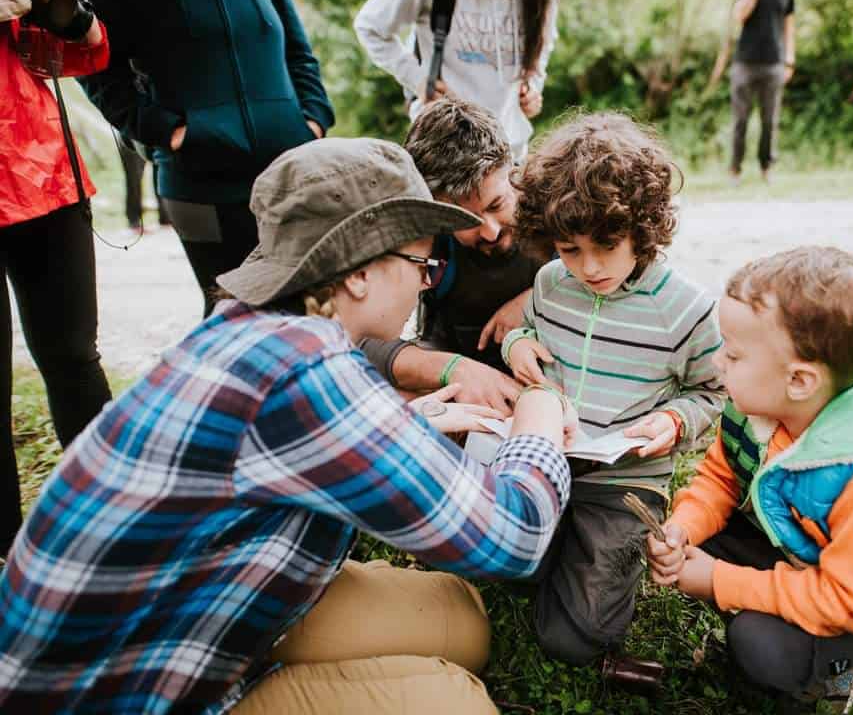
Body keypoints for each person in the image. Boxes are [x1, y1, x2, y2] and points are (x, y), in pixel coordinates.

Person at [0, 138, 577, 714]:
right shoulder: (306, 374)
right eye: (422, 264)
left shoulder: (261, 329)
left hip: (190, 615)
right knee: (455, 703)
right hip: (121, 692)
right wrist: (540, 415)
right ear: (358, 275)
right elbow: (514, 537)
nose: (426, 282)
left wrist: (410, 420)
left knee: (462, 620)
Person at [647, 247, 853, 708]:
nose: (718, 363)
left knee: (760, 644)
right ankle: (797, 627)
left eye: (734, 353)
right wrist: (682, 528)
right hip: (823, 551)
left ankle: (822, 675)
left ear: (800, 381)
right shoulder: (762, 405)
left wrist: (720, 581)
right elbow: (720, 478)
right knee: (702, 542)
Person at [504, 113, 724, 669]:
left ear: (644, 225)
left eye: (607, 243)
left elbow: (713, 393)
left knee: (572, 641)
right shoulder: (551, 283)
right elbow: (529, 331)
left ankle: (581, 567)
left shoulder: (687, 309)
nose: (589, 267)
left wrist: (675, 422)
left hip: (622, 486)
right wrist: (517, 346)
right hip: (546, 465)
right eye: (569, 248)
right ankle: (550, 554)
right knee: (500, 568)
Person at [80, 0, 335, 317]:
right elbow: (93, 65)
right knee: (232, 313)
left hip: (290, 170)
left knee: (310, 307)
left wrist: (313, 118)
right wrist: (168, 131)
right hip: (199, 180)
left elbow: (299, 53)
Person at [0, 0, 111, 557]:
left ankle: (109, 521)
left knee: (73, 357)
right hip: (29, 170)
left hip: (42, 175)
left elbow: (78, 56)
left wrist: (60, 9)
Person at [361, 99, 541, 415]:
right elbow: (364, 340)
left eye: (497, 204)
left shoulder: (556, 206)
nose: (490, 232)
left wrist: (542, 297)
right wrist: (453, 368)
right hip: (463, 385)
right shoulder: (423, 241)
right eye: (465, 220)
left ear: (512, 172)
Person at [354, 0, 559, 162]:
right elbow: (370, 27)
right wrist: (417, 79)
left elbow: (544, 42)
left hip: (510, 153)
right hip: (444, 151)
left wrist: (533, 87)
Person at [727, 0, 795, 183]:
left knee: (769, 121)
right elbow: (739, 16)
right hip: (744, 63)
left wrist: (789, 60)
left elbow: (789, 24)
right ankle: (735, 169)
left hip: (774, 64)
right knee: (740, 121)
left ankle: (766, 168)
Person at [118, 142, 169, 234]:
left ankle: (165, 218)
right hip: (131, 138)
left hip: (155, 136)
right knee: (134, 178)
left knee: (161, 172)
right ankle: (134, 222)